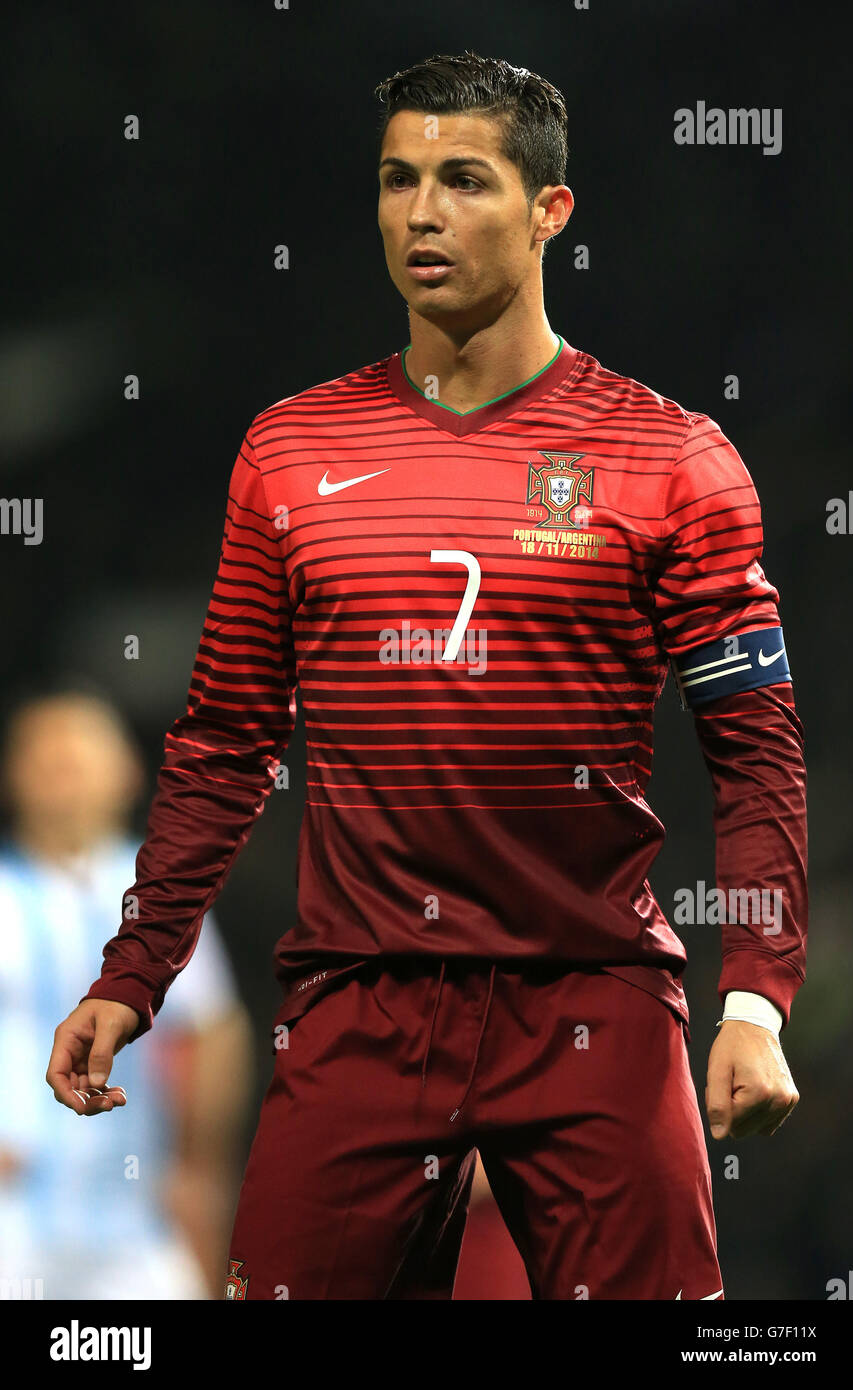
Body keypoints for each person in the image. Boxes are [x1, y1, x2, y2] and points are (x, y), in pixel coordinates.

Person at [46, 52, 806, 1300]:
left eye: (463, 179)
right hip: (356, 1004)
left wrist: (758, 1002)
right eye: (399, 180)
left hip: (593, 1003)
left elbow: (755, 750)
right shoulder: (291, 451)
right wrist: (138, 970)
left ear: (549, 210)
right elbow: (227, 739)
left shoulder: (670, 458)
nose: (421, 213)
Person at [1, 690, 252, 1298]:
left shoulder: (163, 896)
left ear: (127, 772)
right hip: (14, 1208)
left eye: (79, 758)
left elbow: (213, 1030)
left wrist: (199, 1168)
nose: (63, 775)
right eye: (45, 758)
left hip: (135, 1215)